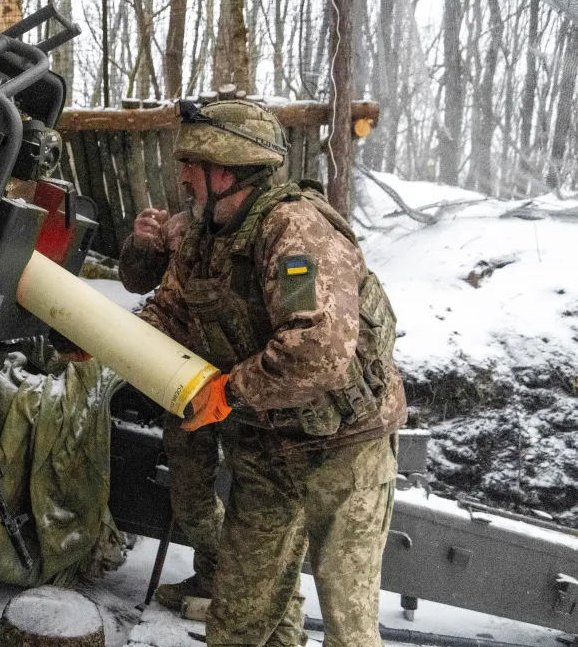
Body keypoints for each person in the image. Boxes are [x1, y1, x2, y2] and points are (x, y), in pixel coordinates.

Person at [140, 98, 406, 647]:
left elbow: (318, 347)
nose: (182, 176)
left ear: (226, 168)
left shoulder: (295, 232)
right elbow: (170, 313)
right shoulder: (203, 237)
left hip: (344, 450)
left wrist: (228, 392)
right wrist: (100, 339)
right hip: (266, 449)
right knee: (238, 620)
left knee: (349, 629)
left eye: (191, 164)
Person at [119, 177, 306, 647]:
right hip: (185, 380)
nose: (186, 176)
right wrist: (141, 245)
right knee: (191, 494)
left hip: (253, 391)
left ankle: (277, 622)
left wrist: (238, 389)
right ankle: (214, 575)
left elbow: (305, 332)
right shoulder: (187, 226)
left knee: (267, 526)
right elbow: (145, 288)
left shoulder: (282, 234)